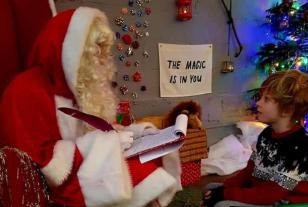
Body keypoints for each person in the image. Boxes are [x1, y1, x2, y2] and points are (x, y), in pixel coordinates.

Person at [0, 7, 181, 207]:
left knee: (148, 160)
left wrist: (138, 134)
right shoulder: (27, 90)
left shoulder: (81, 86)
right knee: (135, 176)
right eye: (95, 51)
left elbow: (102, 129)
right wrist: (109, 143)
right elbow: (43, 163)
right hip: (57, 186)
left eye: (104, 50)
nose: (102, 59)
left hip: (90, 166)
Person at [201, 70, 308, 207]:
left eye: (266, 99)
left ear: (287, 110)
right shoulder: (267, 134)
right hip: (264, 189)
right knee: (211, 187)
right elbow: (249, 171)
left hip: (287, 201)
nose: (258, 103)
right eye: (260, 97)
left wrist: (225, 194)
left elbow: (270, 194)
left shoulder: (300, 147)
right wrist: (224, 188)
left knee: (223, 205)